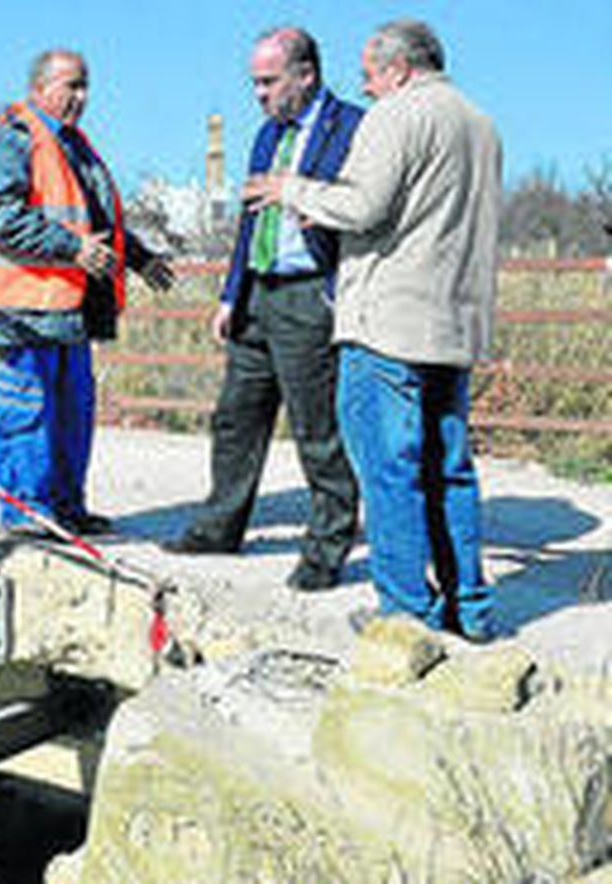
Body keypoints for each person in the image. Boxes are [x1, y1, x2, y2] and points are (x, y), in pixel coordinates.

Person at [243, 19, 502, 639]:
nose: (364, 89)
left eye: (369, 77)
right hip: (454, 322)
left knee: (389, 470)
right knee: (451, 469)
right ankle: (471, 608)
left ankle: (405, 615)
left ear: (400, 70)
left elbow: (363, 206)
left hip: (387, 322)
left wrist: (292, 190)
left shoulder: (395, 116)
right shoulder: (481, 124)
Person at [164, 27, 363, 592]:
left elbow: (364, 206)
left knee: (316, 428)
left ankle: (325, 551)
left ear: (306, 74)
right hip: (258, 292)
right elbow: (250, 219)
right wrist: (231, 294)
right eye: (254, 82)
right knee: (235, 417)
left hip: (309, 291)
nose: (259, 93)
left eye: (269, 81)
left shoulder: (351, 128)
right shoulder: (264, 135)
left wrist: (314, 208)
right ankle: (218, 528)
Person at [0, 49, 173, 538]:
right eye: (70, 86)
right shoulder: (9, 142)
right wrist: (71, 248)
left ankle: (66, 509)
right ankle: (27, 514)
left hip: (65, 308)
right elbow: (1, 218)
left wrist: (137, 257)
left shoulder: (73, 146)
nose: (80, 97)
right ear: (39, 88)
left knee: (72, 416)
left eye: (85, 86)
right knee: (26, 413)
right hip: (19, 309)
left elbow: (94, 219)